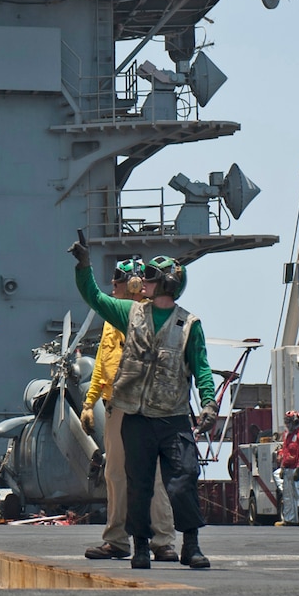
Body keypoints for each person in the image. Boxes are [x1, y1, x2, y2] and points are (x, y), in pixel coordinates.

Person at [69, 241, 215, 569]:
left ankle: (190, 545)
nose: (142, 282)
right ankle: (139, 547)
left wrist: (209, 403)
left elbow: (201, 366)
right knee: (138, 483)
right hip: (135, 415)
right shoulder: (130, 313)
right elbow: (95, 297)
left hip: (173, 416)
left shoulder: (189, 325)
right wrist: (83, 268)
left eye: (149, 276)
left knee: (184, 479)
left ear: (165, 283)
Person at [81, 257, 177, 563]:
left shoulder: (145, 316)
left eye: (118, 281)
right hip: (115, 406)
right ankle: (118, 540)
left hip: (143, 407)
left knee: (154, 476)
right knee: (115, 474)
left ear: (134, 283)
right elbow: (102, 363)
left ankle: (163, 541)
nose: (114, 286)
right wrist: (89, 402)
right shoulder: (114, 318)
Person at [274, 411, 299, 526]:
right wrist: (282, 467)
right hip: (288, 468)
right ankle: (289, 519)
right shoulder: (287, 434)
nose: (287, 424)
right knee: (288, 495)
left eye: (289, 422)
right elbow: (286, 451)